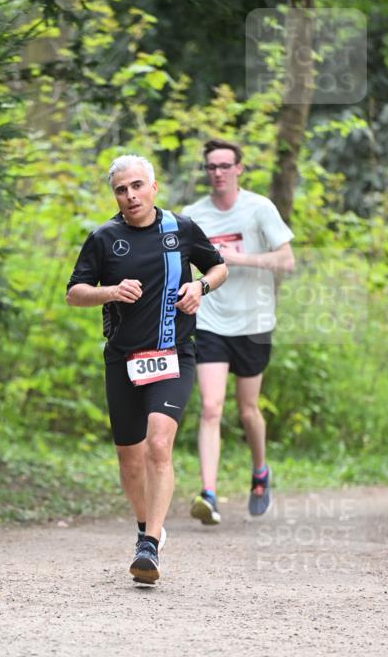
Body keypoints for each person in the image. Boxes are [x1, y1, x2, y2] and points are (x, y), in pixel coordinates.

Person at [66, 154, 227, 584]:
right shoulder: (104, 238)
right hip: (123, 359)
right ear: (115, 196)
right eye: (121, 189)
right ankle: (145, 528)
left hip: (174, 354)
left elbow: (219, 266)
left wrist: (201, 286)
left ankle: (149, 546)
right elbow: (74, 293)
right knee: (130, 457)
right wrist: (111, 291)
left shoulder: (181, 229)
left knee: (159, 444)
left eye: (137, 186)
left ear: (154, 188)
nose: (130, 195)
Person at [182, 138, 294, 523]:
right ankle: (208, 495)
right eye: (211, 167)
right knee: (211, 407)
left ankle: (260, 472)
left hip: (254, 323)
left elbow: (287, 260)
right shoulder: (193, 214)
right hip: (211, 320)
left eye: (224, 166)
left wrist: (239, 259)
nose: (217, 173)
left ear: (238, 169)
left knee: (248, 411)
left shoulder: (259, 209)